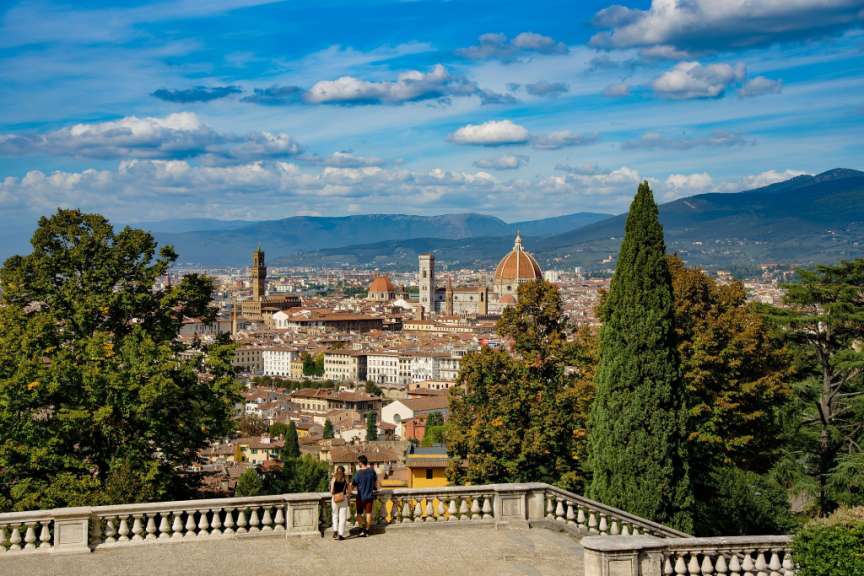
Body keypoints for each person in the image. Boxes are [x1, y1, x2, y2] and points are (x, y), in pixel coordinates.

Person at [351, 454, 378, 537]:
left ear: (360, 463)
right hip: (369, 496)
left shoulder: (358, 474)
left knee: (359, 514)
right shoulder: (372, 471)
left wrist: (350, 492)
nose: (357, 464)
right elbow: (375, 483)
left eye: (358, 462)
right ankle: (367, 529)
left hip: (360, 497)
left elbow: (352, 485)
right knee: (368, 513)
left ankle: (362, 527)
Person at [330, 465, 350, 540]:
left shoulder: (333, 479)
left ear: (336, 471)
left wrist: (334, 494)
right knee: (342, 517)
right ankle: (340, 534)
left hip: (335, 499)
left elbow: (331, 491)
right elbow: (348, 492)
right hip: (343, 499)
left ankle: (335, 530)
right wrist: (348, 499)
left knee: (335, 515)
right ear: (343, 471)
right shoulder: (346, 479)